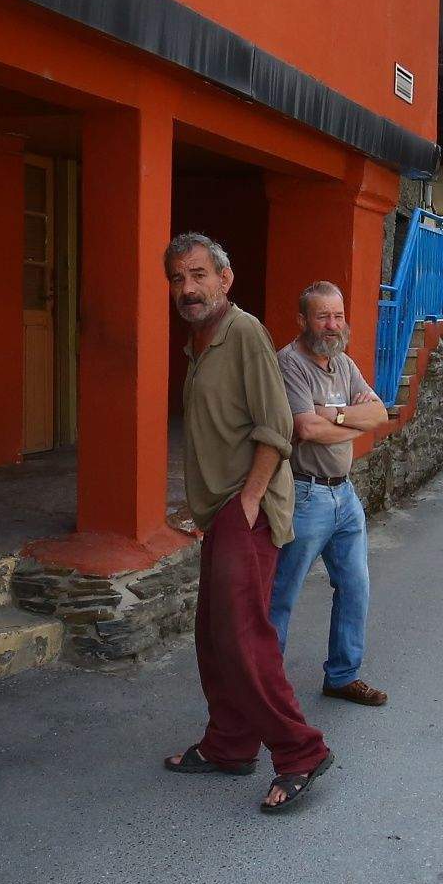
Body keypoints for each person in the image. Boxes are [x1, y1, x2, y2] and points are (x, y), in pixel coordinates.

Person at [159, 234, 335, 813]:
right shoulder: (201, 340)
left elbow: (276, 426)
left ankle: (301, 750)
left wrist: (249, 500)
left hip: (247, 508)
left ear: (224, 279)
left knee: (243, 637)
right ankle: (230, 744)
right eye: (178, 278)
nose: (188, 288)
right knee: (214, 636)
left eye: (198, 275)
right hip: (221, 510)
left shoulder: (244, 333)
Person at [268, 282, 393, 707]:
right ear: (302, 320)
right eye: (323, 316)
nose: (333, 325)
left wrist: (335, 415)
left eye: (338, 316)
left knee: (355, 587)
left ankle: (342, 676)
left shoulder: (342, 362)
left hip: (345, 496)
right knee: (281, 595)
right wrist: (352, 423)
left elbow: (379, 412)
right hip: (306, 496)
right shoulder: (290, 364)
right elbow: (306, 428)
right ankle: (266, 688)